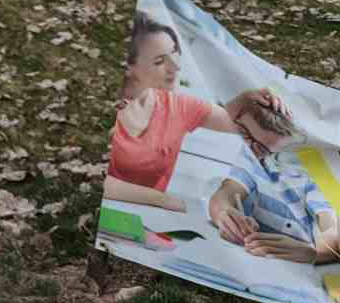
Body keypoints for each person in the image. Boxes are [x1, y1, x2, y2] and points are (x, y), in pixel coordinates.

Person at [103, 12, 287, 212]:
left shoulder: (178, 106)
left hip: (147, 226)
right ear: (129, 67)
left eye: (174, 54)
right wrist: (160, 199)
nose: (175, 66)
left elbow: (245, 123)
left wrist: (248, 100)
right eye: (159, 61)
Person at [208, 102, 339, 264]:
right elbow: (225, 193)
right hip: (251, 254)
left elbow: (333, 232)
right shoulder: (257, 152)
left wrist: (311, 252)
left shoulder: (323, 171)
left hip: (295, 263)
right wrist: (224, 213)